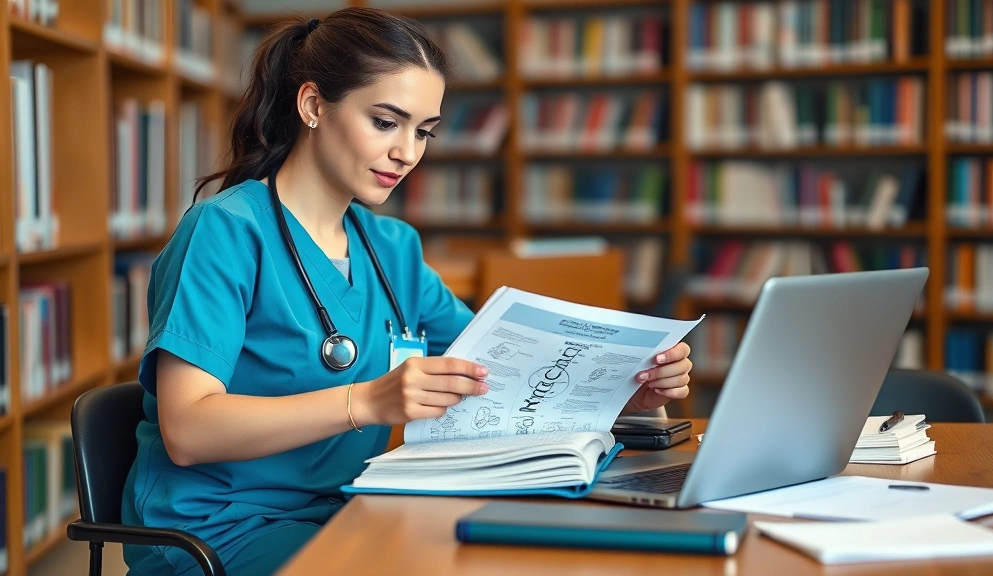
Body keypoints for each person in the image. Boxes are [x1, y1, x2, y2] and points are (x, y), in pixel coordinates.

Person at [121, 7, 694, 575]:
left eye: (422, 131)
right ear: (313, 105)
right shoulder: (225, 231)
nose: (408, 153)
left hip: (352, 506)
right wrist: (369, 401)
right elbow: (188, 431)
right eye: (385, 122)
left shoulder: (392, 247)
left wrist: (625, 389)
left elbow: (502, 369)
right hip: (222, 529)